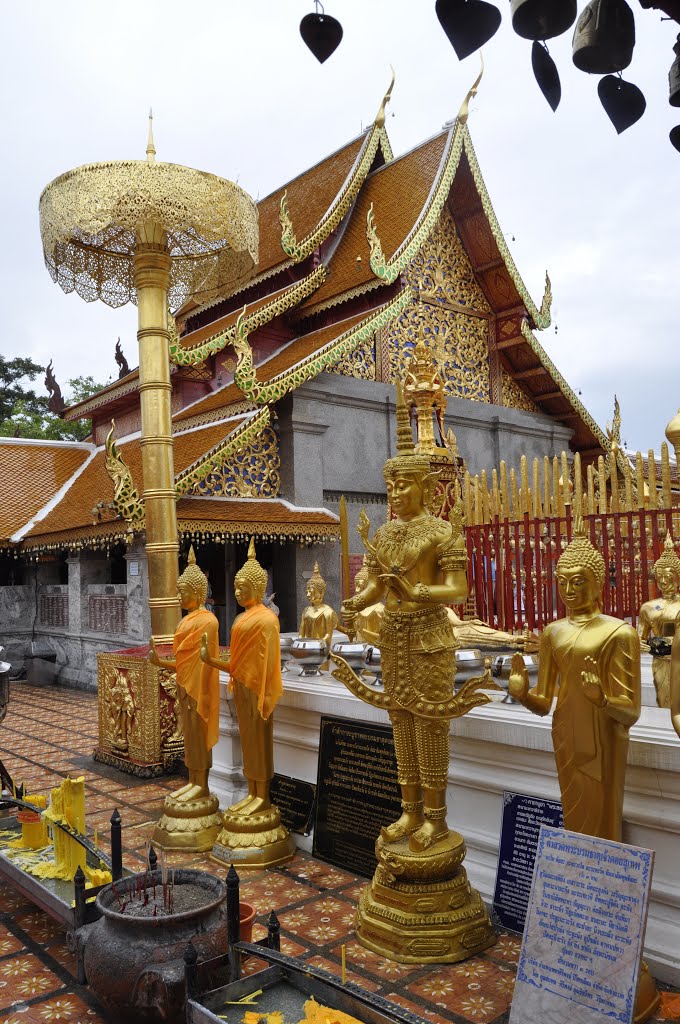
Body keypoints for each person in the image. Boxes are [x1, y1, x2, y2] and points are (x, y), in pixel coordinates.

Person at [340, 381, 469, 853]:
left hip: (430, 635)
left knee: (430, 724)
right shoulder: (389, 533)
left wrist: (424, 591)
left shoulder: (442, 532)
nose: (395, 492)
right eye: (390, 485)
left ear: (427, 487)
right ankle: (409, 809)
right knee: (400, 721)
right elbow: (376, 581)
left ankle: (435, 816)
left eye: (404, 484)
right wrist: (360, 600)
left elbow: (458, 589)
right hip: (393, 635)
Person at [509, 516, 640, 841]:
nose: (568, 590)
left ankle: (604, 877)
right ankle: (576, 880)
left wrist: (603, 700)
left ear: (597, 583)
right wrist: (524, 694)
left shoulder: (620, 633)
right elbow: (545, 703)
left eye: (578, 581)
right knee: (574, 815)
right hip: (565, 734)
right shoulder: (553, 633)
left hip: (603, 738)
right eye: (562, 581)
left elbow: (631, 711)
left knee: (603, 817)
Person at [201, 538, 282, 816]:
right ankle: (252, 791)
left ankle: (264, 797)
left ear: (258, 588)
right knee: (246, 741)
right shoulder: (240, 620)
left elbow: (269, 659)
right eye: (235, 587)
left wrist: (261, 688)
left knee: (260, 742)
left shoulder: (268, 619)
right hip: (243, 687)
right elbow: (237, 661)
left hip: (259, 690)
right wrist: (210, 660)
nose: (236, 592)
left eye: (242, 587)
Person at [148, 547, 219, 803]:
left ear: (198, 592)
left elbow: (204, 662)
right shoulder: (185, 623)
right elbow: (182, 663)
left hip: (201, 691)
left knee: (200, 737)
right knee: (189, 738)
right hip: (186, 689)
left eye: (183, 592)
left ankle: (202, 785)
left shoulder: (208, 621)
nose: (179, 597)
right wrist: (159, 661)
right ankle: (193, 780)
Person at [637, 532, 680, 707]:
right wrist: (641, 644)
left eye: (668, 576)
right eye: (659, 576)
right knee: (664, 701)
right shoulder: (648, 607)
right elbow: (640, 637)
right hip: (660, 661)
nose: (663, 581)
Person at [298, 562, 338, 648]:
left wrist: (318, 645)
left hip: (320, 650)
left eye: (311, 592)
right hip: (307, 649)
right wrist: (301, 645)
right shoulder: (306, 610)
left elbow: (328, 634)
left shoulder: (327, 611)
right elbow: (301, 634)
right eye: (307, 592)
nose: (308, 595)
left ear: (321, 592)